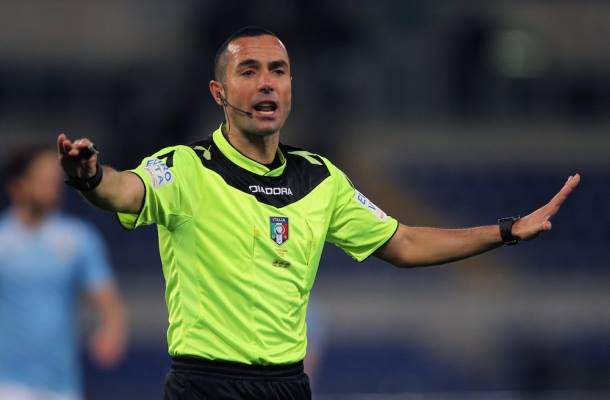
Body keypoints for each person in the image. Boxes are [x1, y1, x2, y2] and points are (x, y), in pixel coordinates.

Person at [56, 26, 580, 400]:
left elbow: (404, 243)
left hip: (288, 387)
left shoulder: (320, 179)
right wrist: (90, 177)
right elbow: (124, 191)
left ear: (290, 88)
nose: (266, 82)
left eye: (278, 71)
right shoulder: (186, 168)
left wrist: (507, 230)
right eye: (249, 71)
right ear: (219, 92)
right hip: (205, 385)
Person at [0, 145, 127, 400]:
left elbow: (107, 299)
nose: (53, 186)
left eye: (55, 179)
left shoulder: (79, 239)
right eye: (43, 179)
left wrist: (112, 330)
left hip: (62, 385)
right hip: (8, 383)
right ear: (18, 186)